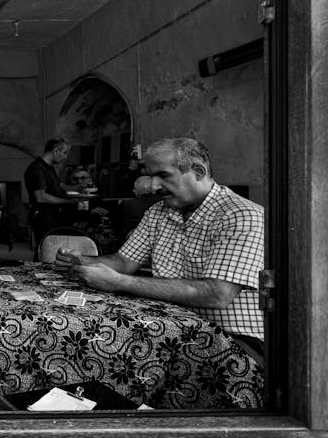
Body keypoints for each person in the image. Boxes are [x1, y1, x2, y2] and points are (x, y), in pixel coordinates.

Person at [55, 138, 265, 359]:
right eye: (150, 176)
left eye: (163, 176)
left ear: (199, 171)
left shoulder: (241, 216)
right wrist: (82, 261)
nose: (153, 186)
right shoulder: (158, 212)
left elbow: (217, 294)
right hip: (172, 329)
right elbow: (123, 262)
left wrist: (119, 282)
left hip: (233, 341)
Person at [23, 138, 82, 251]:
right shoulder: (37, 169)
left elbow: (59, 186)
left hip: (53, 216)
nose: (65, 157)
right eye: (64, 153)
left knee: (53, 250)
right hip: (43, 218)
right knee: (46, 250)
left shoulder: (49, 168)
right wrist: (68, 201)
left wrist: (78, 188)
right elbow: (41, 197)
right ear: (56, 151)